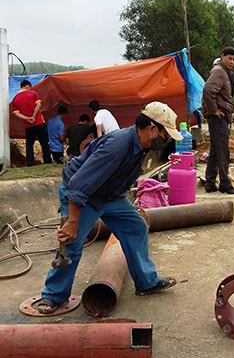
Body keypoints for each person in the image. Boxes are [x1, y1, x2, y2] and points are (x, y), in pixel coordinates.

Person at [32, 101, 181, 314]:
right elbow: (78, 186)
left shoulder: (140, 146)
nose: (165, 141)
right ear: (152, 128)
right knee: (72, 243)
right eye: (165, 135)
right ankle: (53, 295)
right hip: (82, 195)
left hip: (108, 195)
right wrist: (72, 221)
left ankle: (147, 282)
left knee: (136, 226)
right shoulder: (116, 146)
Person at [201, 46, 234, 195]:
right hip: (218, 117)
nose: (232, 62)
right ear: (222, 56)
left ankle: (210, 183)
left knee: (215, 151)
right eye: (229, 58)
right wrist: (213, 111)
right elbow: (208, 91)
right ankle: (225, 183)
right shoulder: (219, 71)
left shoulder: (223, 72)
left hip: (219, 117)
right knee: (223, 151)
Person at [11, 80, 53, 166]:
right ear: (27, 86)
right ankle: (48, 161)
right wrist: (33, 116)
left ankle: (30, 163)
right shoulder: (33, 93)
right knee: (44, 142)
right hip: (39, 122)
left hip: (28, 125)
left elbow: (17, 113)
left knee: (29, 144)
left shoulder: (15, 99)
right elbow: (38, 105)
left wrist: (27, 118)